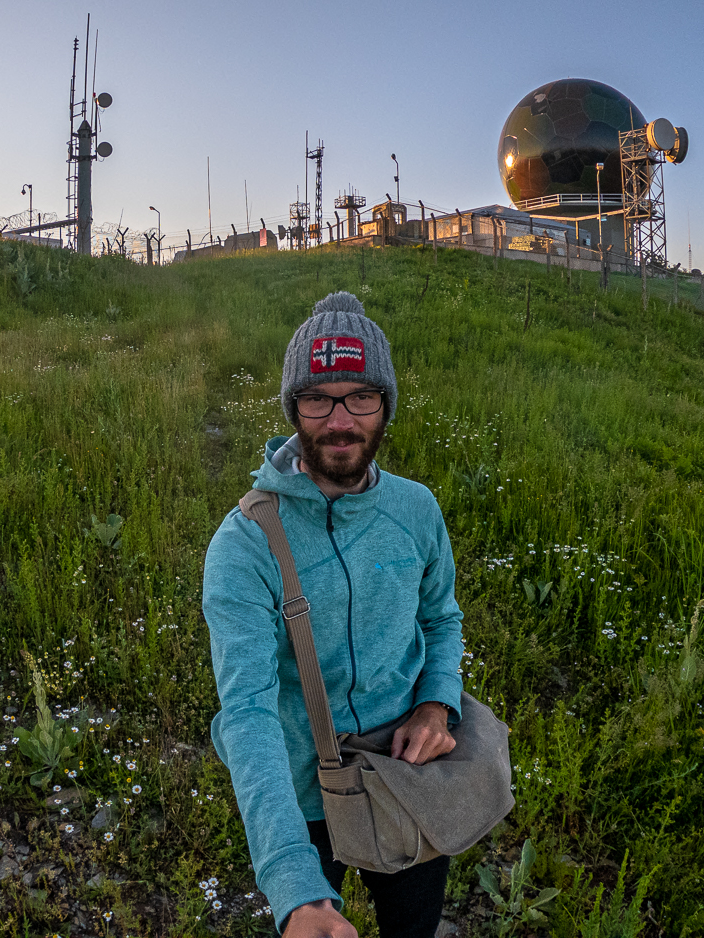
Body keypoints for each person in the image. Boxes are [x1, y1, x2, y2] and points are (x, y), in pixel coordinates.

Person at [203, 291, 466, 937]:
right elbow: (248, 711)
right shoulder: (244, 544)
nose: (340, 420)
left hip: (407, 774)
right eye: (318, 398)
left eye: (361, 397)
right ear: (294, 409)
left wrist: (437, 703)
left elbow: (441, 618)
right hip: (304, 793)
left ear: (386, 406)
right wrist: (295, 886)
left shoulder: (416, 510)